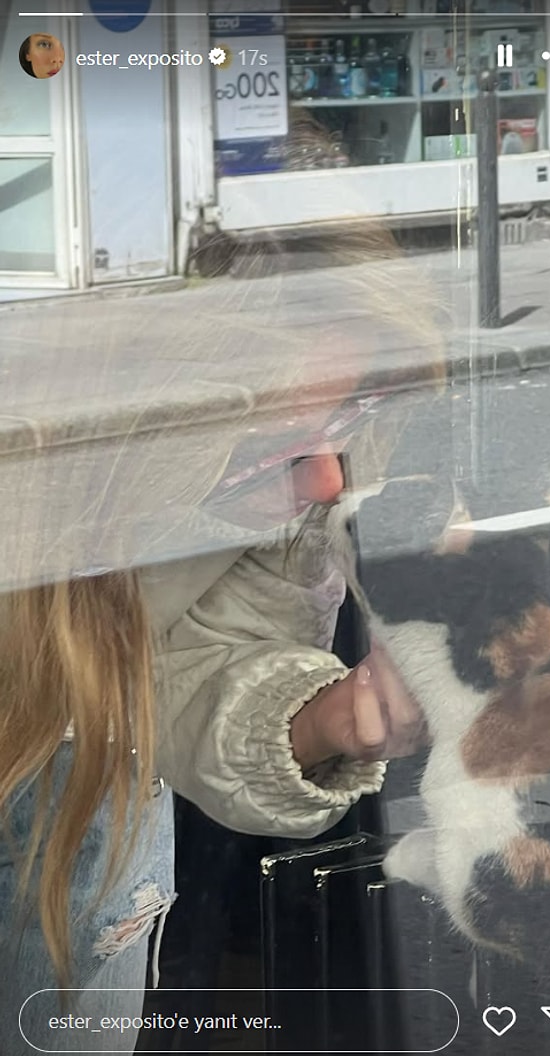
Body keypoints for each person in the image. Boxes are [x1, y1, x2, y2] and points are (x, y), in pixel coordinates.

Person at [0, 117, 446, 1055]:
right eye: (268, 444)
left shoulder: (314, 420)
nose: (326, 482)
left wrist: (328, 721)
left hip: (87, 809)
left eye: (348, 413)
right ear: (106, 414)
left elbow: (207, 657)